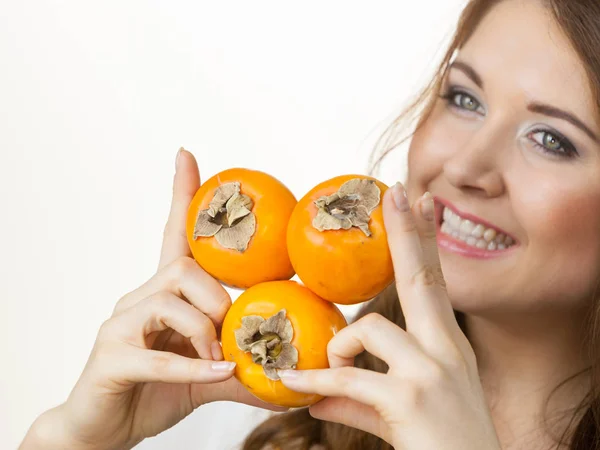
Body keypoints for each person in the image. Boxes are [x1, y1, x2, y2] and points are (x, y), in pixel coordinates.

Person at [19, 0, 600, 448]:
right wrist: (74, 438)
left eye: (552, 140)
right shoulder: (243, 402)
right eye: (464, 98)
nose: (465, 166)